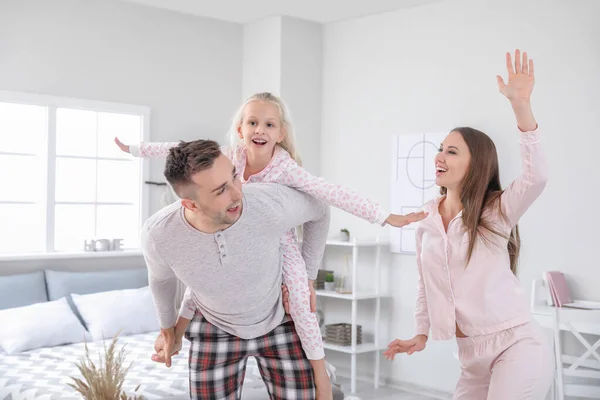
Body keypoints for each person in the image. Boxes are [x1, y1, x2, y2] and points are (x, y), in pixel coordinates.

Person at [117, 91, 426, 395]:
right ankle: (176, 336)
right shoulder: (225, 158)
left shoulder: (282, 174)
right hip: (219, 297)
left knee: (301, 301)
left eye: (269, 125)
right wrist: (135, 148)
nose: (259, 130)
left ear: (280, 133)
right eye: (252, 123)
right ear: (240, 129)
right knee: (199, 285)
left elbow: (328, 194)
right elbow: (175, 149)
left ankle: (321, 377)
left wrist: (382, 217)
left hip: (278, 235)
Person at [383, 49, 553, 399]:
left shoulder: (496, 210)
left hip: (516, 346)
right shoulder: (427, 220)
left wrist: (521, 106)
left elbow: (537, 178)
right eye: (440, 148)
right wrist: (421, 333)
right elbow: (425, 284)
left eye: (452, 151)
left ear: (477, 166)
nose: (439, 157)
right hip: (470, 357)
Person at [142, 139, 333, 399]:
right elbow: (161, 281)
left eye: (234, 176)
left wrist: (309, 277)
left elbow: (320, 208)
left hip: (278, 320)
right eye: (221, 191)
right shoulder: (159, 235)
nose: (237, 193)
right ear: (192, 205)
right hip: (213, 325)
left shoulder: (268, 203)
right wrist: (167, 329)